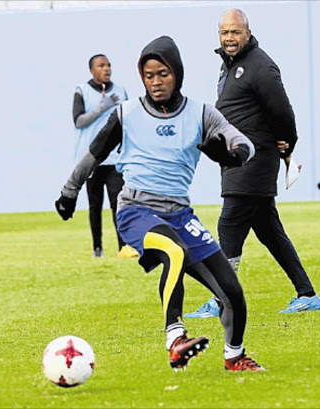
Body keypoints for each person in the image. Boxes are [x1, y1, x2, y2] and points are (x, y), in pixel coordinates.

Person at [55, 36, 264, 371]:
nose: (155, 81)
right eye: (149, 75)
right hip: (136, 210)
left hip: (180, 214)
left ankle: (234, 356)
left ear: (176, 73)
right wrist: (69, 192)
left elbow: (242, 142)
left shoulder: (200, 113)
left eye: (162, 74)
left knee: (232, 291)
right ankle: (175, 339)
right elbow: (93, 154)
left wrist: (234, 153)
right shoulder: (127, 113)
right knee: (173, 250)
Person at [186, 9, 320, 317]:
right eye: (224, 33)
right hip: (237, 160)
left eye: (235, 32)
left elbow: (283, 112)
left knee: (229, 224)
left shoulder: (260, 65)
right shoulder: (229, 66)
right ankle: (307, 294)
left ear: (247, 33)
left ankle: (222, 298)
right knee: (269, 231)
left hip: (254, 159)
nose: (229, 38)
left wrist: (287, 145)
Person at [73, 54, 138, 259]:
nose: (107, 68)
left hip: (114, 159)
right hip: (91, 159)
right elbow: (79, 121)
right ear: (92, 70)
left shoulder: (120, 91)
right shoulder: (81, 91)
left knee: (118, 202)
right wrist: (103, 108)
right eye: (101, 65)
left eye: (109, 65)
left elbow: (129, 120)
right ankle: (97, 249)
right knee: (95, 205)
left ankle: (124, 247)